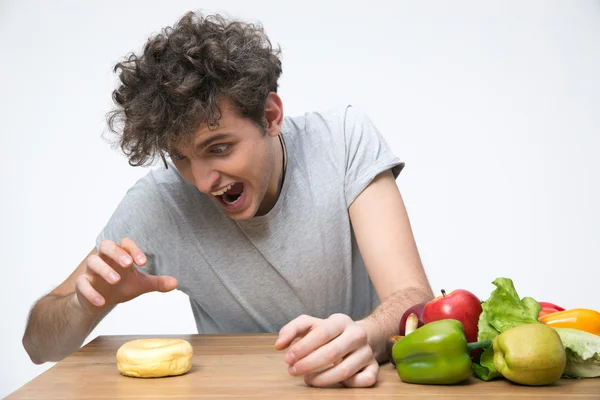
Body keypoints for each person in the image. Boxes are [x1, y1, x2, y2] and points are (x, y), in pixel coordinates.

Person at [21, 11, 434, 388]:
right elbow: (39, 346)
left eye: (218, 148)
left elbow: (413, 295)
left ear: (271, 117)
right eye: (181, 156)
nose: (201, 182)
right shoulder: (162, 202)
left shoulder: (344, 140)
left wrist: (366, 334)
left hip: (361, 386)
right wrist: (84, 303)